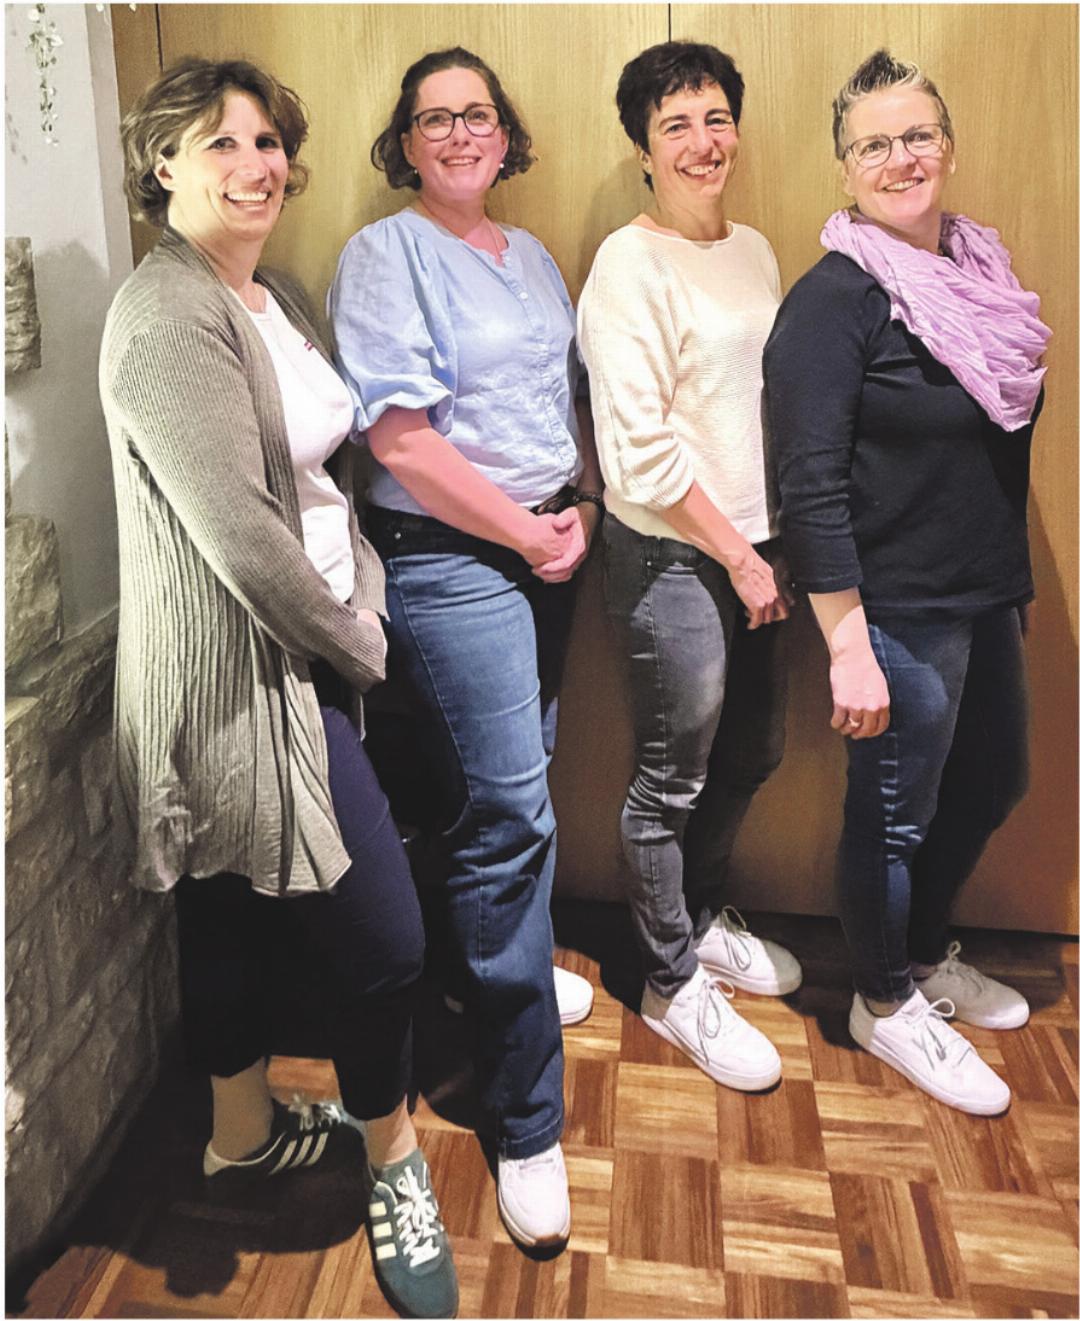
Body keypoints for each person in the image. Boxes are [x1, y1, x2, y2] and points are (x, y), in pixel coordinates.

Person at [100, 58, 458, 1318]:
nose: (255, 166)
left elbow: (320, 487)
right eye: (221, 143)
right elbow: (245, 541)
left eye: (266, 143)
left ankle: (239, 1137)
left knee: (233, 914)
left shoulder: (273, 295)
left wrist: (363, 592)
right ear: (162, 163)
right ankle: (395, 1158)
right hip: (235, 682)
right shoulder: (164, 314)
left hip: (311, 648)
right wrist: (359, 643)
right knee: (385, 941)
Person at [328, 47, 603, 1251]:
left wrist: (575, 509)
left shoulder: (530, 254)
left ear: (505, 133)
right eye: (433, 118)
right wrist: (529, 532)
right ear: (405, 141)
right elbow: (399, 441)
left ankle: (504, 962)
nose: (458, 133)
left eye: (476, 114)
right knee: (511, 818)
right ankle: (527, 1121)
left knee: (513, 788)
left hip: (548, 543)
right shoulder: (383, 254)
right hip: (452, 557)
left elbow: (555, 401)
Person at [763, 50, 1049, 1116]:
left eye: (918, 135)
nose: (900, 158)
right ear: (845, 168)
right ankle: (882, 1000)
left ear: (950, 147)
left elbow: (995, 453)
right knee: (893, 817)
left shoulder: (981, 276)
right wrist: (847, 641)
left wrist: (1009, 581)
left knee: (993, 783)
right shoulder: (834, 303)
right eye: (874, 144)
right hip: (892, 610)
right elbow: (807, 482)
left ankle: (923, 954)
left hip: (981, 593)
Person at [577, 41, 802, 1092]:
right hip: (674, 555)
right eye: (676, 125)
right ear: (643, 149)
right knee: (672, 777)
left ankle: (701, 918)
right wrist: (739, 558)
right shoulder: (629, 266)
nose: (703, 142)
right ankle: (669, 980)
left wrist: (770, 546)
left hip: (758, 542)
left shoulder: (753, 249)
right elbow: (639, 454)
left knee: (752, 750)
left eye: (716, 118)